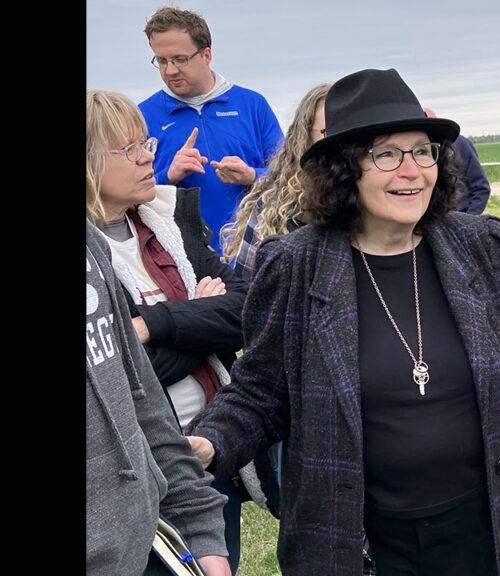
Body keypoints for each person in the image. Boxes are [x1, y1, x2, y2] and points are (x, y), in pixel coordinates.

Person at [187, 68, 500, 576]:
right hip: (359, 542)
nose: (412, 171)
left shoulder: (484, 246)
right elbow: (261, 391)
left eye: (423, 151)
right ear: (344, 169)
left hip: (491, 529)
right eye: (387, 155)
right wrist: (211, 441)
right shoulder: (292, 264)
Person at [87, 88, 261, 573]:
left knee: (217, 552)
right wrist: (197, 320)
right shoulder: (91, 259)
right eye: (130, 149)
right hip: (134, 468)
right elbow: (122, 373)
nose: (150, 157)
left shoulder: (168, 223)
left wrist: (155, 323)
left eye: (146, 143)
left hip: (207, 448)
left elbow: (245, 307)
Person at [138, 6, 284, 254]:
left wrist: (251, 176)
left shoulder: (252, 105)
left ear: (207, 55)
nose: (170, 70)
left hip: (254, 253)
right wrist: (168, 177)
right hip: (178, 260)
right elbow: (126, 198)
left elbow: (290, 179)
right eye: (161, 61)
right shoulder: (142, 115)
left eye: (180, 59)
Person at [221, 82, 330, 281]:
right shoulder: (273, 206)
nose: (340, 141)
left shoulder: (379, 204)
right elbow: (245, 290)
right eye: (328, 132)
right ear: (304, 137)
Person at [424, 107, 492, 214]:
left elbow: (481, 188)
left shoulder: (461, 144)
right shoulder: (414, 152)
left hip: (461, 214)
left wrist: (470, 220)